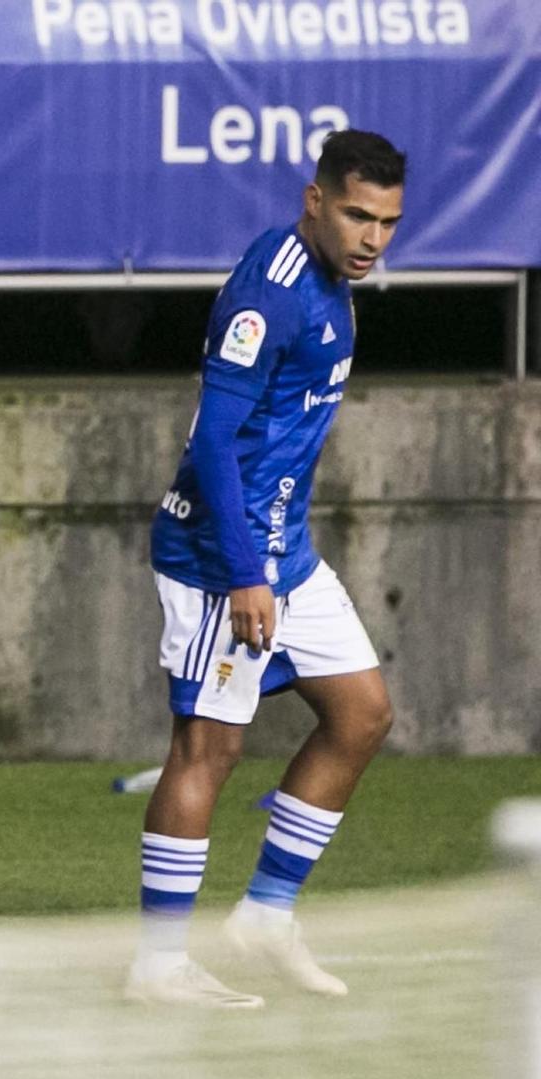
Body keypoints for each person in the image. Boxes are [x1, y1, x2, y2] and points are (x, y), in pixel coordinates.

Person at [126, 129, 405, 1008]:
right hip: (223, 557)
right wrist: (245, 571)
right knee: (208, 749)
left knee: (361, 713)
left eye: (389, 222)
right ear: (313, 200)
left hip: (286, 553)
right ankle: (158, 963)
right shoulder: (271, 294)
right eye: (357, 214)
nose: (372, 237)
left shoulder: (333, 282)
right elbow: (212, 440)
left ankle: (266, 916)